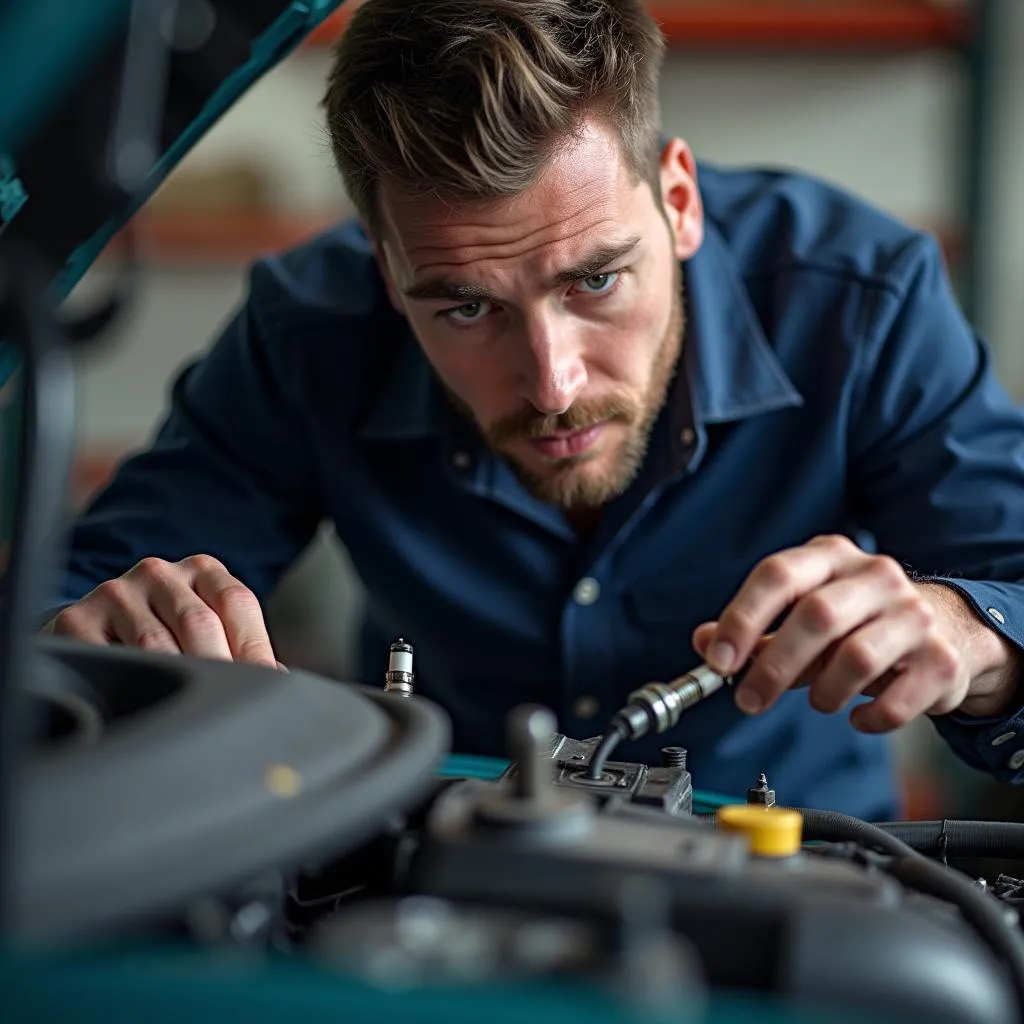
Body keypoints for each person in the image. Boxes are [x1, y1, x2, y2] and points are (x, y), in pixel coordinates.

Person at [43, 0, 1024, 819]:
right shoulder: (307, 330)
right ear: (387, 270)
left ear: (678, 201)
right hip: (432, 891)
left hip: (802, 883)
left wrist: (977, 642)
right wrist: (101, 637)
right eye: (466, 307)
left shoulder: (861, 300)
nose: (552, 383)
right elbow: (74, 609)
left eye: (595, 281)